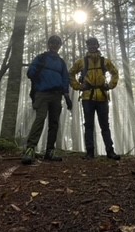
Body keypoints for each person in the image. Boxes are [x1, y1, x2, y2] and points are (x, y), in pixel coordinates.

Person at [21, 35, 72, 165]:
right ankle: (30, 149)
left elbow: (65, 78)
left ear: (60, 46)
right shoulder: (41, 58)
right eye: (52, 43)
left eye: (57, 43)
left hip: (56, 95)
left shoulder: (61, 62)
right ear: (49, 44)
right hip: (42, 93)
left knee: (54, 123)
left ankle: (50, 151)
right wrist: (36, 72)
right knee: (40, 118)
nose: (55, 45)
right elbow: (30, 73)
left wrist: (66, 96)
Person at [70, 37, 120, 160]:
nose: (92, 46)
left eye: (94, 44)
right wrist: (78, 86)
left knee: (105, 125)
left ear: (97, 45)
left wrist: (110, 85)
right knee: (88, 125)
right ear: (87, 46)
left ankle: (110, 151)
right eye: (89, 44)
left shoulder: (104, 61)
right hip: (87, 97)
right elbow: (70, 73)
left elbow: (115, 72)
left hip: (102, 97)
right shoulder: (81, 62)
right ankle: (90, 152)